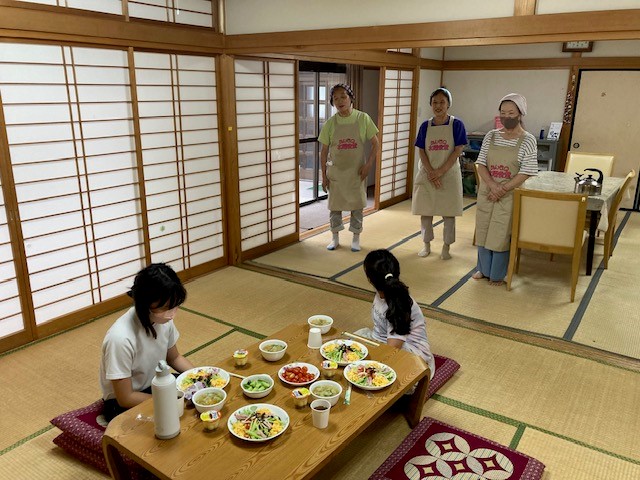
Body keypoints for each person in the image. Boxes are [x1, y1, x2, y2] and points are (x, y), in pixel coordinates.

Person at [100, 263, 194, 421]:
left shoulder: (163, 320)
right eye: (165, 307)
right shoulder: (120, 338)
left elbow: (174, 358)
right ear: (145, 303)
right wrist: (167, 400)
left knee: (192, 389)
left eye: (175, 306)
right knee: (175, 417)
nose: (171, 313)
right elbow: (125, 398)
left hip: (154, 385)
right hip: (123, 403)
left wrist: (201, 376)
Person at [473, 93, 538, 285]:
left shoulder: (528, 140)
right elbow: (481, 164)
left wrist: (502, 189)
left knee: (501, 233)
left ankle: (496, 274)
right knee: (483, 229)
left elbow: (526, 171)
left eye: (511, 113)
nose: (506, 117)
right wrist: (493, 186)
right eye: (503, 113)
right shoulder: (491, 136)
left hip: (509, 194)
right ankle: (483, 269)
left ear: (520, 114)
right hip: (487, 191)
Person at [355, 249, 435, 380]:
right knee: (347, 345)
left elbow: (392, 350)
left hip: (411, 353)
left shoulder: (398, 304)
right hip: (382, 341)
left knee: (384, 377)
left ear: (370, 279)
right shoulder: (382, 291)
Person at [319, 83, 380, 252]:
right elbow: (323, 152)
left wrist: (368, 165)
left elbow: (376, 144)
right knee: (335, 207)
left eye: (343, 97)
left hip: (356, 172)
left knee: (357, 206)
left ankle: (356, 238)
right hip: (336, 172)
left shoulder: (363, 118)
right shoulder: (330, 123)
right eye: (335, 98)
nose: (340, 101)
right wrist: (323, 176)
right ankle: (335, 238)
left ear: (351, 98)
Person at [412, 87, 468, 259]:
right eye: (434, 102)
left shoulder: (456, 124)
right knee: (425, 212)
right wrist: (432, 173)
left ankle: (446, 247)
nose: (438, 106)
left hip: (449, 175)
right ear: (430, 104)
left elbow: (458, 150)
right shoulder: (425, 126)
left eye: (442, 102)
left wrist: (440, 172)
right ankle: (426, 244)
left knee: (448, 213)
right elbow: (421, 150)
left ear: (448, 104)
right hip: (428, 174)